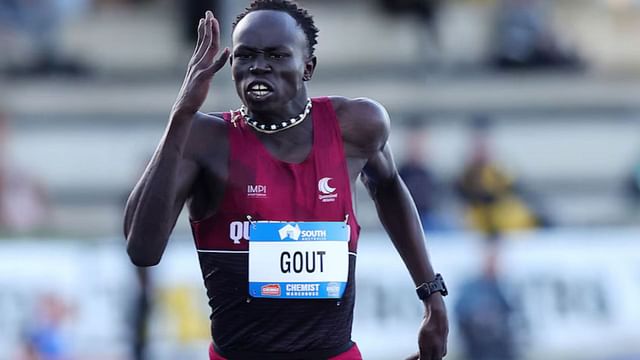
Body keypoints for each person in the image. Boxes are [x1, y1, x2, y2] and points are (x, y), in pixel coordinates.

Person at [124, 1, 448, 359]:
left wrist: (431, 295)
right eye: (245, 56)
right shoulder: (205, 138)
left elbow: (388, 187)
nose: (259, 67)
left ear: (308, 66)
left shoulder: (356, 126)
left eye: (277, 56)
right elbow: (142, 251)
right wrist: (181, 116)